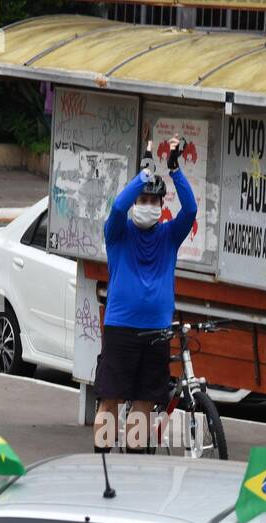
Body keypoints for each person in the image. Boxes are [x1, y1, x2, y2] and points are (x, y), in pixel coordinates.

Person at [95, 135, 196, 452]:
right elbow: (117, 206)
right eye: (143, 201)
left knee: (144, 401)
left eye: (154, 202)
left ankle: (132, 462)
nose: (148, 206)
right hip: (121, 328)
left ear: (161, 207)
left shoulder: (168, 235)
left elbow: (190, 209)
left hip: (156, 331)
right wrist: (143, 175)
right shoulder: (118, 232)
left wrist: (174, 168)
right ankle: (100, 462)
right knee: (109, 398)